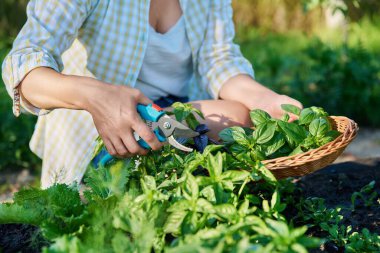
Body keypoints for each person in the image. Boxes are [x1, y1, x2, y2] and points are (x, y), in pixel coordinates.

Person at [1, 0, 301, 188]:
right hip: (98, 132)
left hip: (174, 118)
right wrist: (95, 96)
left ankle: (176, 174)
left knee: (238, 116)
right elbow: (24, 65)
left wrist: (267, 101)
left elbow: (218, 59)